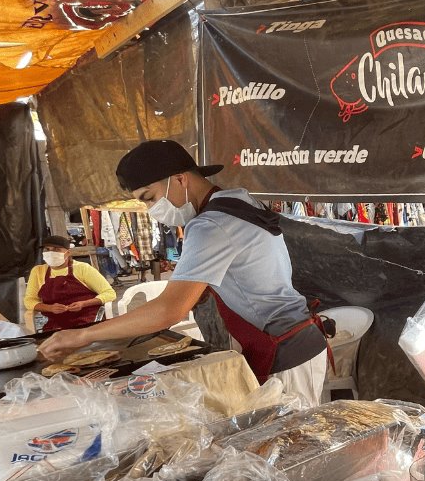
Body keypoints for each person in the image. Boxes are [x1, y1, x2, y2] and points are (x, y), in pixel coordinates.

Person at [38, 139, 330, 406]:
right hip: (299, 339)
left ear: (180, 179)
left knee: (294, 447)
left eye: (150, 197)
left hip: (285, 348)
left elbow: (169, 310)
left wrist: (83, 336)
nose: (151, 209)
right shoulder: (238, 201)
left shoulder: (210, 225)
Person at [24, 235, 116, 331]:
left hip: (88, 320)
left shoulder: (82, 268)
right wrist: (49, 308)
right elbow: (30, 300)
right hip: (57, 323)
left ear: (67, 253)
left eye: (56, 249)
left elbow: (109, 293)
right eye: (47, 249)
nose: (51, 253)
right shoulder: (38, 271)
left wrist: (83, 304)